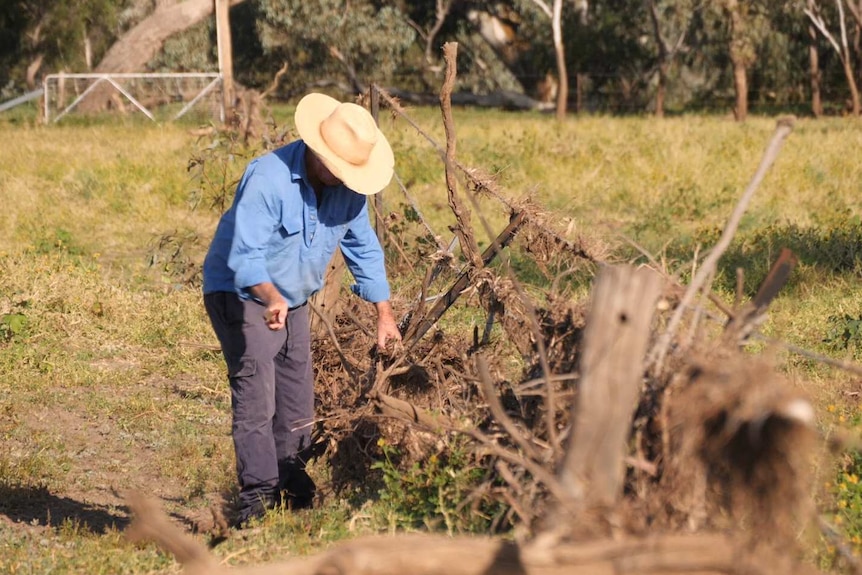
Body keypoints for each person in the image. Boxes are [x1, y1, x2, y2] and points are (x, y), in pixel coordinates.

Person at [202, 92, 402, 528]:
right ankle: (256, 502)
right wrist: (271, 297)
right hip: (240, 292)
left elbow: (364, 249)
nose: (350, 179)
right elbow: (244, 255)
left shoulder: (347, 194)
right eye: (344, 169)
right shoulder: (268, 179)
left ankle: (290, 485)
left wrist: (384, 314)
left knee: (297, 399)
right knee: (257, 394)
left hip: (289, 300)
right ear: (319, 154)